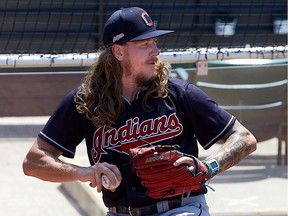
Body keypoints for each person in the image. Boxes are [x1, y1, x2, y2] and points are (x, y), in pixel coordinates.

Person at [23, 6, 257, 216]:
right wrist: (83, 172)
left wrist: (209, 166)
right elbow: (33, 161)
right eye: (144, 44)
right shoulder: (85, 102)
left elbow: (244, 138)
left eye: (155, 43)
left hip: (182, 208)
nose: (155, 51)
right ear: (118, 52)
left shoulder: (180, 94)